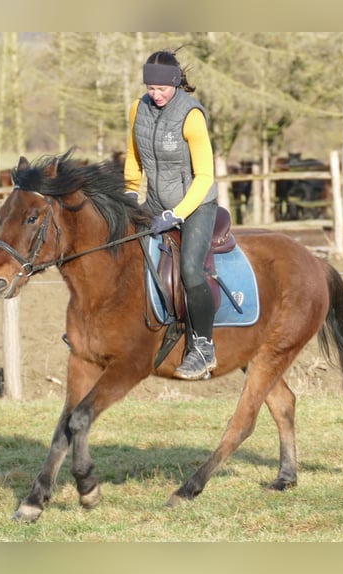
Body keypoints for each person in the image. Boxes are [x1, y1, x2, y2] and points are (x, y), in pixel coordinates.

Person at [124, 48, 219, 381]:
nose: (156, 94)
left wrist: (176, 213)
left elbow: (205, 174)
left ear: (176, 84)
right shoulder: (139, 108)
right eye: (151, 88)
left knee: (191, 270)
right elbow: (134, 157)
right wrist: (129, 191)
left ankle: (204, 347)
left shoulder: (191, 115)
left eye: (162, 89)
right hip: (153, 203)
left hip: (195, 205)